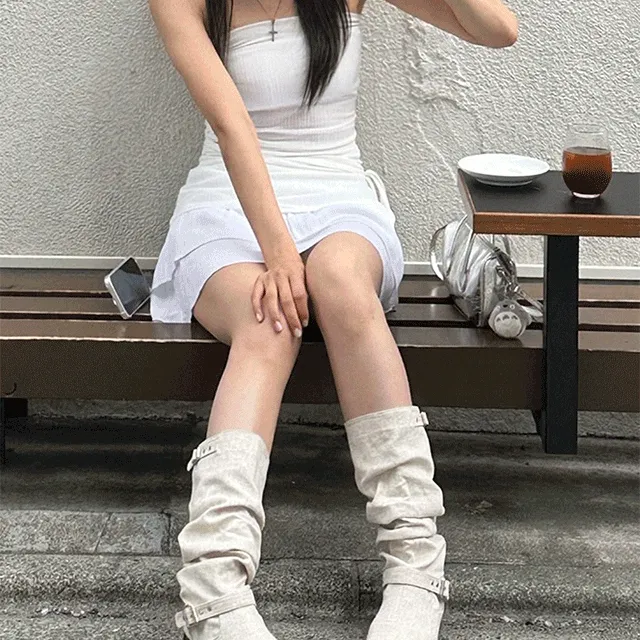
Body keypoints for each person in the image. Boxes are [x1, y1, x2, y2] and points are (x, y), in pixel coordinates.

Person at [147, 1, 518, 638]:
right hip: (226, 203)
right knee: (268, 320)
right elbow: (232, 126)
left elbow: (498, 30)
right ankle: (214, 591)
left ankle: (415, 567)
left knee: (343, 284)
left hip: (337, 195)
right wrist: (278, 252)